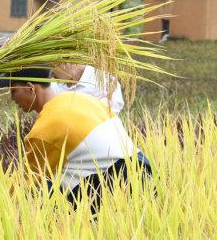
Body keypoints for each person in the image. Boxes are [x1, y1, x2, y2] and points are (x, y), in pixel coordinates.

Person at [9, 67, 151, 212]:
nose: (12, 98)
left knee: (45, 191)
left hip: (119, 182)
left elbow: (24, 183)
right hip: (145, 171)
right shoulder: (83, 99)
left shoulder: (45, 128)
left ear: (30, 88)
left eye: (14, 91)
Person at [51, 63, 124, 114]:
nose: (51, 73)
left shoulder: (106, 82)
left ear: (67, 62)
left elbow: (106, 118)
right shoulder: (50, 85)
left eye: (52, 66)